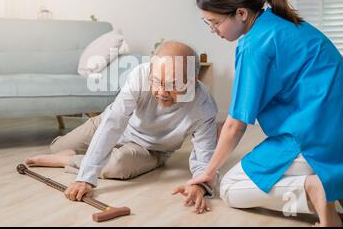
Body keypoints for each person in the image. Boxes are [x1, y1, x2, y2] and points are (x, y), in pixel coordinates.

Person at [180, 0, 343, 226]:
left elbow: (236, 124)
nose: (213, 29)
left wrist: (208, 174)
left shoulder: (254, 44)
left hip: (313, 137)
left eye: (215, 22)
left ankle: (312, 188)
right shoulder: (287, 23)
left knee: (230, 187)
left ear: (241, 14)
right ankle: (341, 192)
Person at [26, 41, 219, 214]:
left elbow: (206, 158)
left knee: (119, 165)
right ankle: (66, 155)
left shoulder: (204, 107)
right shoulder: (140, 74)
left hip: (152, 148)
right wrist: (86, 176)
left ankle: (68, 160)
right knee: (56, 147)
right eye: (157, 81)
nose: (161, 92)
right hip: (113, 124)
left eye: (171, 85)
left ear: (193, 80)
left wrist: (200, 186)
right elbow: (113, 123)